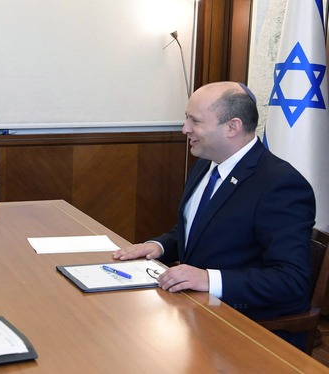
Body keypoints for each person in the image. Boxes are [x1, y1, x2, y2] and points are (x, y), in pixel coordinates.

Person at [113, 81, 316, 350]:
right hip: (193, 311)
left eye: (194, 121)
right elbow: (196, 229)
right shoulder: (205, 164)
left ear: (232, 127)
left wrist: (208, 279)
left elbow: (291, 281)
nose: (185, 129)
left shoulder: (280, 184)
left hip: (247, 329)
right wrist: (158, 246)